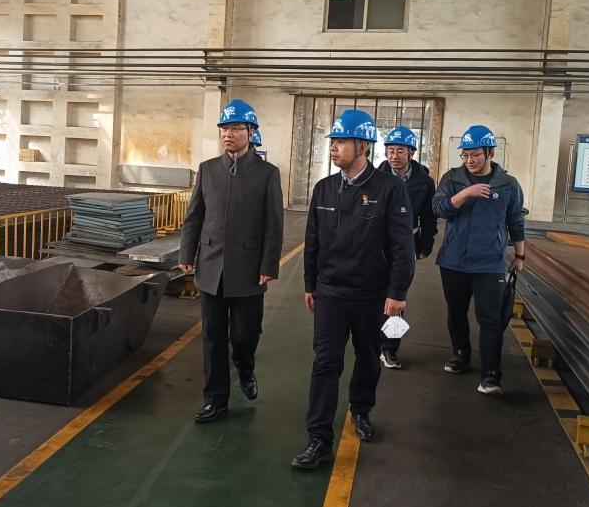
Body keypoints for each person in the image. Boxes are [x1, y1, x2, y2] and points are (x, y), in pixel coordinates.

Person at [292, 110, 415, 469]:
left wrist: (397, 293)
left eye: (341, 141)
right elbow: (313, 240)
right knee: (325, 363)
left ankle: (360, 409)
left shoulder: (389, 189)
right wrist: (310, 284)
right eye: (332, 141)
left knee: (367, 359)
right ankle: (318, 439)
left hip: (372, 295)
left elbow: (402, 247)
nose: (334, 147)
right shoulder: (324, 189)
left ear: (362, 146)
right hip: (331, 292)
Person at [178, 99, 284, 423]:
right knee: (212, 338)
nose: (228, 134)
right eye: (224, 128)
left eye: (236, 128)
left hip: (250, 271)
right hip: (211, 268)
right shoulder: (208, 170)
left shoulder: (267, 174)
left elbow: (274, 224)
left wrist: (268, 265)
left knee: (244, 335)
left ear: (251, 132)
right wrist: (186, 254)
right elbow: (194, 216)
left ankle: (245, 367)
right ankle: (216, 400)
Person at [432, 124, 525, 396]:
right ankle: (460, 355)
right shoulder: (452, 179)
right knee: (456, 313)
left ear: (490, 153)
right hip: (454, 261)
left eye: (475, 155)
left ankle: (490, 375)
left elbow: (516, 220)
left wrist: (520, 255)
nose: (469, 160)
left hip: (489, 263)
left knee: (490, 319)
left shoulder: (508, 185)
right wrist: (465, 194)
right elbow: (438, 209)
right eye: (465, 155)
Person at [376, 125, 437, 369]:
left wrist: (425, 243)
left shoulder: (424, 182)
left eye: (400, 151)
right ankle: (373, 343)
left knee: (397, 296)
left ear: (411, 153)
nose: (394, 156)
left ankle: (390, 349)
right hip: (376, 245)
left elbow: (429, 217)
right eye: (390, 150)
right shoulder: (375, 176)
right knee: (375, 295)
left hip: (405, 246)